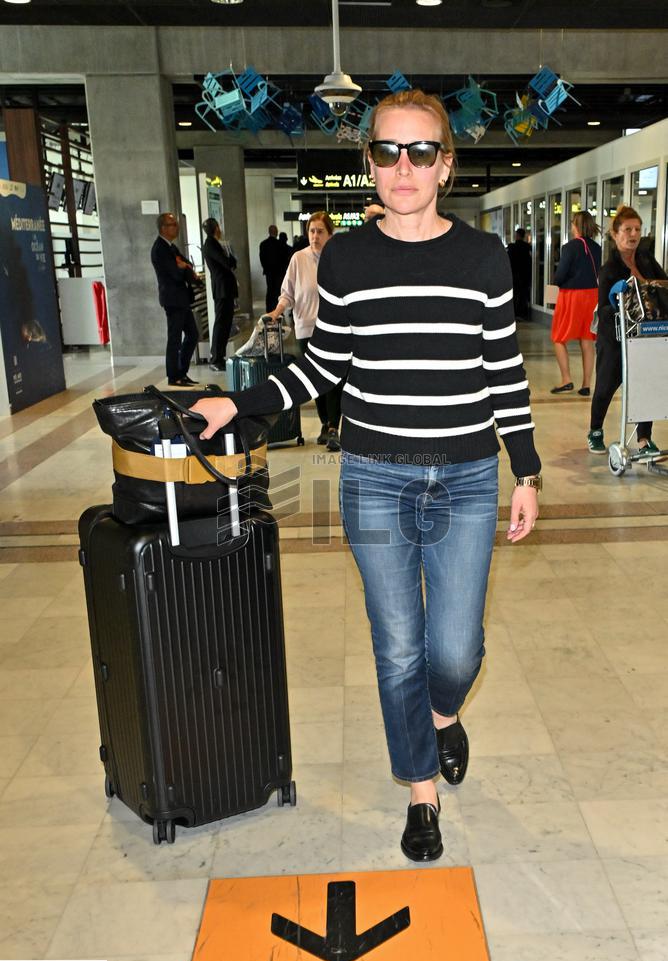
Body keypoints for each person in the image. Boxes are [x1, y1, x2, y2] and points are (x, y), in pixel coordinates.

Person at [192, 89, 541, 863]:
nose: (404, 166)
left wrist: (527, 471)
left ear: (445, 165)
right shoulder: (345, 258)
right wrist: (238, 403)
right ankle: (420, 790)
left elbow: (505, 373)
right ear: (370, 163)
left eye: (421, 152)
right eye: (388, 151)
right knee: (398, 649)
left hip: (467, 477)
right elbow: (322, 369)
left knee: (453, 652)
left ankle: (443, 716)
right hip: (376, 477)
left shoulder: (482, 257)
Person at [588, 206, 667, 455]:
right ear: (615, 233)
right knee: (605, 387)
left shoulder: (645, 259)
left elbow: (664, 283)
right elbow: (602, 309)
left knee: (646, 386)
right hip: (615, 337)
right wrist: (616, 305)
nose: (633, 234)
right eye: (627, 230)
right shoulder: (609, 269)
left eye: (637, 229)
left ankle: (644, 440)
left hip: (645, 335)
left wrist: (651, 284)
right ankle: (595, 431)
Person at [266, 211, 343, 452]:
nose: (315, 236)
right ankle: (324, 423)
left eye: (320, 231)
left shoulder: (339, 259)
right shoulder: (298, 259)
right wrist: (276, 312)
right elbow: (287, 292)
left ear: (330, 235)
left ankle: (333, 427)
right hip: (306, 328)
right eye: (311, 231)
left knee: (334, 379)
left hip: (335, 328)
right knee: (317, 379)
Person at [549, 211, 601, 396]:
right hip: (592, 296)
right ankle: (586, 385)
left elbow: (560, 275)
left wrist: (556, 281)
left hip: (571, 296)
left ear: (576, 225)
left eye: (572, 224)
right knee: (587, 340)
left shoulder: (569, 247)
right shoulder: (597, 247)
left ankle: (566, 379)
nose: (571, 227)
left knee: (558, 337)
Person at [150, 212, 200, 386]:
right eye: (173, 225)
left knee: (193, 335)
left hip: (182, 298)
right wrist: (182, 266)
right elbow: (175, 274)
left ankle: (182, 371)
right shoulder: (160, 248)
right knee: (175, 339)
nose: (176, 227)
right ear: (163, 228)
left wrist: (184, 265)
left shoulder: (172, 247)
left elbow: (187, 265)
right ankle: (174, 375)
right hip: (172, 299)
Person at [201, 217, 239, 371]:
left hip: (226, 289)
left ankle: (220, 357)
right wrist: (230, 257)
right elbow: (227, 263)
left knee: (225, 323)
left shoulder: (214, 243)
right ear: (216, 228)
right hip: (222, 289)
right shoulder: (211, 244)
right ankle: (215, 358)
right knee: (221, 323)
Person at [259, 224, 289, 312]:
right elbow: (284, 258)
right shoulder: (280, 244)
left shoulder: (263, 244)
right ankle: (277, 311)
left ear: (269, 232)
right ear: (276, 232)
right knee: (277, 291)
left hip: (269, 272)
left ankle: (269, 310)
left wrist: (266, 268)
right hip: (279, 272)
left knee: (270, 290)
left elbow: (262, 258)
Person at [507, 228, 532, 321]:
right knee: (523, 295)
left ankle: (513, 314)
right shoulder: (527, 247)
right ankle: (521, 314)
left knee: (514, 295)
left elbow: (509, 261)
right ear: (524, 236)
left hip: (514, 276)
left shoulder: (512, 247)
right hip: (524, 276)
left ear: (517, 235)